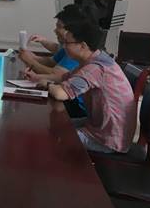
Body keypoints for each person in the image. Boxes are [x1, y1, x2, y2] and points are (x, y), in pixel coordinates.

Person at [38, 19, 136, 153]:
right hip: (100, 126)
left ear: (83, 46)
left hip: (107, 139)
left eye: (67, 43)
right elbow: (64, 77)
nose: (63, 46)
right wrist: (37, 78)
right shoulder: (96, 57)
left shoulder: (95, 68)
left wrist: (47, 84)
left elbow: (60, 93)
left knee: (53, 137)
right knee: (57, 125)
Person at [18, 4, 89, 117]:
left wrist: (31, 62)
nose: (55, 30)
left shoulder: (79, 53)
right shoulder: (68, 47)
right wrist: (32, 59)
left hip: (75, 107)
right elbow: (53, 66)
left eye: (59, 27)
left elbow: (56, 77)